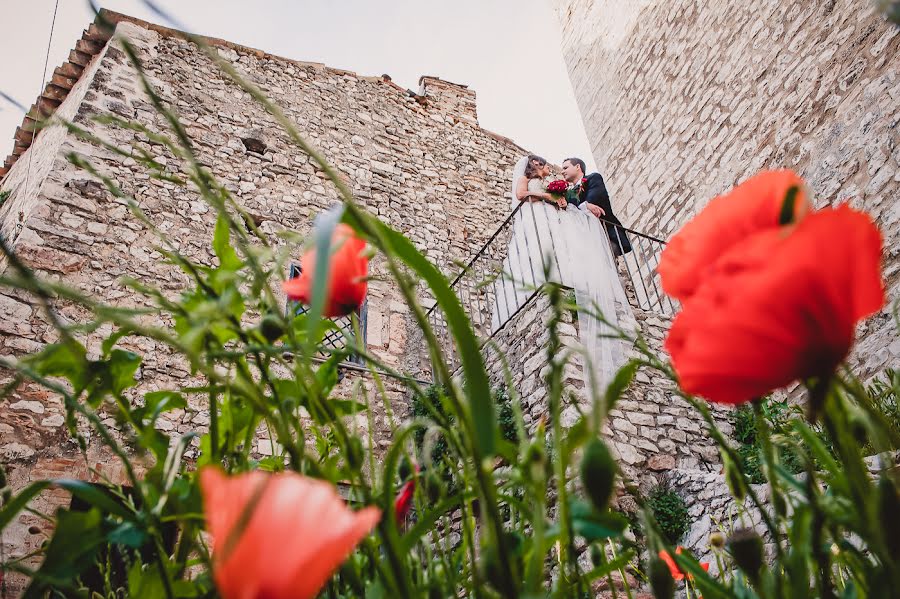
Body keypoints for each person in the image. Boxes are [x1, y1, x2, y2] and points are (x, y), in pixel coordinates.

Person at [561, 157, 632, 256]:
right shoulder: (568, 194)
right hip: (586, 237)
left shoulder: (593, 178)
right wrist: (585, 205)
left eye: (565, 168)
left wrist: (585, 205)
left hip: (608, 235)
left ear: (577, 167)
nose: (562, 171)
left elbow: (595, 198)